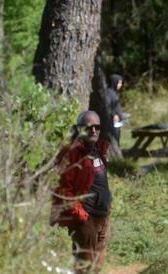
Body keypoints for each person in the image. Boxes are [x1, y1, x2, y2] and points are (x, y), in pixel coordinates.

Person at [51, 111, 112, 274]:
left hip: (103, 217)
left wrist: (108, 208)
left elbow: (101, 182)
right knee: (84, 267)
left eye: (96, 127)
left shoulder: (99, 149)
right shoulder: (70, 153)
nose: (93, 130)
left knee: (96, 266)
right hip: (86, 219)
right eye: (88, 127)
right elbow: (63, 188)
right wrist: (80, 216)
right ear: (79, 129)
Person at [108, 74, 124, 144]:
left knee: (117, 137)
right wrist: (114, 115)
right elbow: (108, 106)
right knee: (114, 138)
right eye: (119, 83)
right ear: (115, 82)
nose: (120, 85)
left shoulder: (114, 93)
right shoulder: (109, 93)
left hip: (117, 122)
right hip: (112, 121)